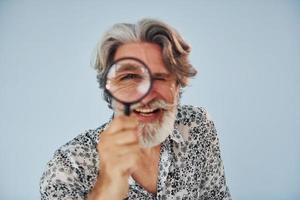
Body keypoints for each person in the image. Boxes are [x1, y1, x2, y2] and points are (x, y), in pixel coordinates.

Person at [40, 18, 231, 200]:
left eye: (160, 77)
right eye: (129, 77)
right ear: (109, 87)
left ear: (178, 84)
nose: (146, 96)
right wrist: (107, 188)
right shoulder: (68, 168)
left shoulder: (197, 127)